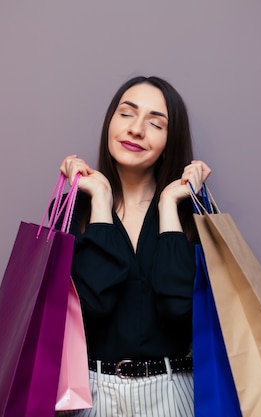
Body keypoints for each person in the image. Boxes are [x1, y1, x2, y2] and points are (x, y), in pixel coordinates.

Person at [56, 75, 211, 417]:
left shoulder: (195, 212)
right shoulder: (71, 210)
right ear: (110, 122)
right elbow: (91, 305)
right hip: (89, 396)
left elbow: (180, 310)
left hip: (174, 393)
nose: (137, 129)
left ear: (171, 141)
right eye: (126, 114)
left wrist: (170, 204)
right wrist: (99, 201)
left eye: (155, 123)